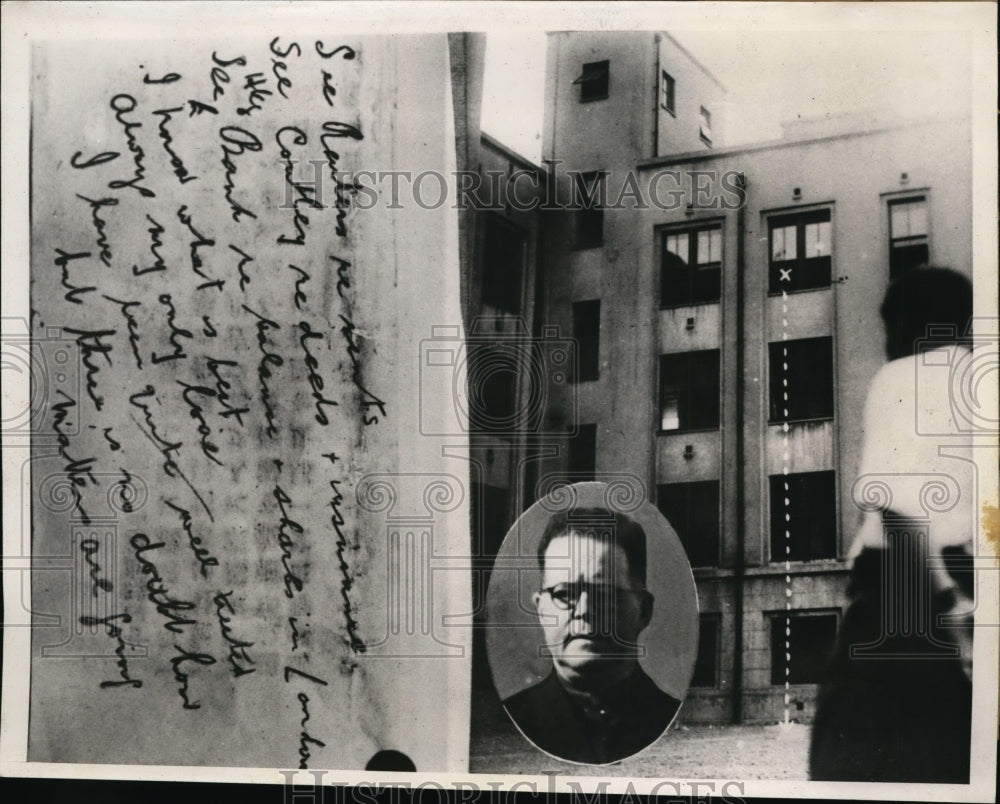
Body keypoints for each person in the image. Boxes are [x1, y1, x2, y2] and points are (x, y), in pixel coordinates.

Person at [809, 267, 974, 783]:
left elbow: (899, 507)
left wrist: (951, 605)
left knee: (852, 762)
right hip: (961, 576)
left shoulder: (902, 376)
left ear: (903, 324)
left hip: (906, 591)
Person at [502, 506, 680, 764]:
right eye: (564, 594)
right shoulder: (513, 719)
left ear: (643, 611)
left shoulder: (666, 716)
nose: (584, 611)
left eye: (604, 594)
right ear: (541, 609)